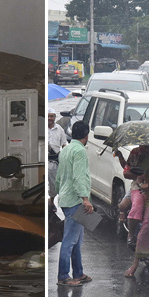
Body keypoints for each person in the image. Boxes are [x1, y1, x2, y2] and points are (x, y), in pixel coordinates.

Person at [55, 120, 94, 287]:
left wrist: (54, 195)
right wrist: (85, 199)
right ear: (87, 135)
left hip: (66, 197)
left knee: (77, 239)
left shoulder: (66, 150)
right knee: (70, 239)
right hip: (75, 200)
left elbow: (58, 177)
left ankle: (78, 272)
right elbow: (79, 177)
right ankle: (63, 276)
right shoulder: (80, 151)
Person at [124, 182, 149, 277]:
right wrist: (146, 184)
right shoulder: (146, 168)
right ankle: (135, 262)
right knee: (146, 226)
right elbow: (139, 179)